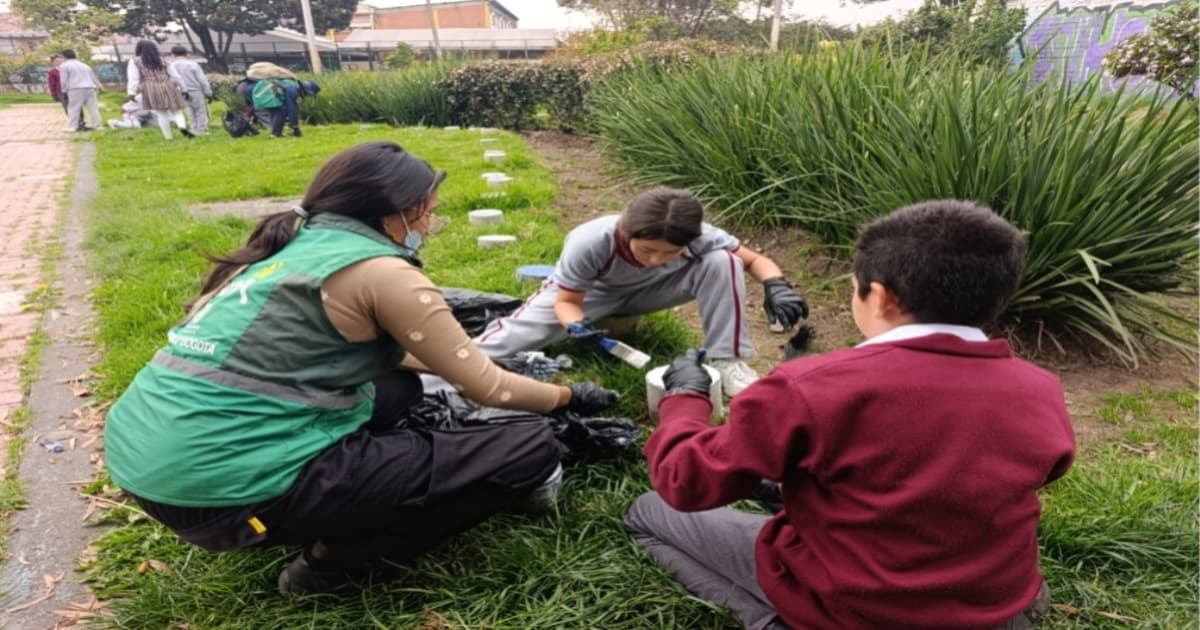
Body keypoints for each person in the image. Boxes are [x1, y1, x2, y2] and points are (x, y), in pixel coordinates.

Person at [102, 142, 619, 596]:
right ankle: (334, 567)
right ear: (398, 214)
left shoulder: (285, 249)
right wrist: (568, 397)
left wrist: (461, 358)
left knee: (399, 388)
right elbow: (489, 390)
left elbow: (400, 358)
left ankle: (344, 494)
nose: (430, 226)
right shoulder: (382, 272)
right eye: (429, 214)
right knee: (526, 445)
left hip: (146, 464)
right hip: (228, 494)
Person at [624, 200, 1077, 630]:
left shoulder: (812, 386)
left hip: (862, 609)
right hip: (1004, 608)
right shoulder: (1041, 388)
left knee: (648, 512)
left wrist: (685, 398)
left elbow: (685, 480)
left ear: (879, 297)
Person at [474, 187, 808, 397]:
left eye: (669, 253)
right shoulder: (591, 240)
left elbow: (753, 260)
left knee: (723, 262)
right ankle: (451, 367)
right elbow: (567, 302)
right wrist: (577, 327)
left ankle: (728, 360)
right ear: (626, 231)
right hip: (595, 293)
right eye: (647, 249)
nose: (656, 259)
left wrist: (775, 284)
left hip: (655, 292)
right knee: (513, 339)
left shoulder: (701, 237)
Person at [126, 39, 192, 140]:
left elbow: (133, 78)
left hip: (150, 87)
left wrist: (131, 92)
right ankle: (182, 126)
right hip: (167, 84)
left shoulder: (135, 61)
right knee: (176, 111)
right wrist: (184, 89)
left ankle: (168, 137)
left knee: (161, 113)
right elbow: (176, 76)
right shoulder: (163, 60)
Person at [246, 61, 303, 138]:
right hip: (268, 95)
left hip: (261, 94)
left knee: (274, 113)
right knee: (280, 112)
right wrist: (295, 125)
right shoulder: (292, 86)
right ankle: (276, 134)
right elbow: (292, 106)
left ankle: (275, 133)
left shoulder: (280, 80)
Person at [169, 45, 212, 135]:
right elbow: (201, 79)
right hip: (195, 90)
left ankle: (193, 128)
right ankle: (201, 130)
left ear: (173, 54)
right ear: (186, 53)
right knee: (200, 111)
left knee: (190, 111)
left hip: (180, 92)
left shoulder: (171, 65)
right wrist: (208, 92)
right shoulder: (192, 64)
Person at [57, 49, 102, 132]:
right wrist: (98, 86)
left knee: (74, 108)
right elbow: (93, 77)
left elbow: (64, 80)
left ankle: (73, 126)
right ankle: (98, 125)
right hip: (90, 87)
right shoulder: (84, 65)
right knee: (93, 107)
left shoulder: (64, 66)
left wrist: (64, 91)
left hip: (75, 88)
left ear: (64, 56)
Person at [46, 53, 79, 129]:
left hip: (72, 90)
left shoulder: (68, 68)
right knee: (67, 107)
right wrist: (53, 93)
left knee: (76, 107)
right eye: (57, 60)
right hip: (61, 91)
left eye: (61, 60)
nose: (60, 62)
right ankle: (73, 124)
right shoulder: (52, 71)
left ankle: (80, 122)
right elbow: (52, 83)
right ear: (53, 62)